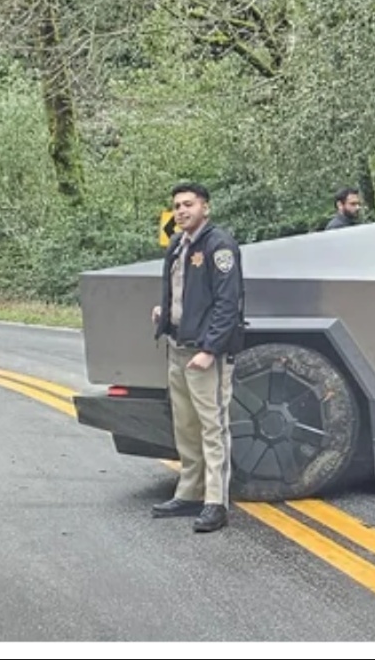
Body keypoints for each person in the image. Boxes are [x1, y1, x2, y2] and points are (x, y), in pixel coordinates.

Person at [149, 181, 245, 533]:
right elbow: (184, 291)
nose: (181, 211)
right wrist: (167, 312)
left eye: (189, 204)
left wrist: (210, 350)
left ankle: (215, 503)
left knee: (212, 426)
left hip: (206, 354)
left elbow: (227, 303)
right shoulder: (178, 244)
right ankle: (190, 493)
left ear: (206, 207)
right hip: (178, 346)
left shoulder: (219, 245)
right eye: (177, 206)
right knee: (185, 426)